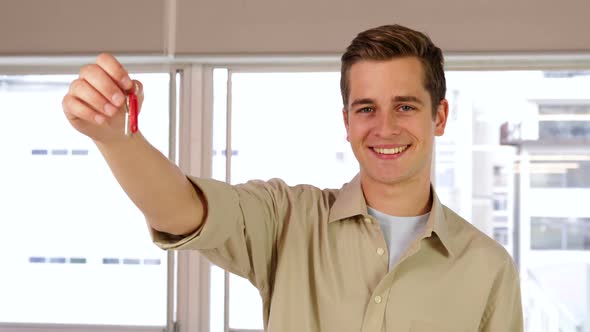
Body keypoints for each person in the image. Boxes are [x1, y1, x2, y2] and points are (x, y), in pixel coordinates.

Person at [63, 24, 523, 331]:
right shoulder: (287, 219)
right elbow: (182, 210)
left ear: (439, 116)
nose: (385, 128)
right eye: (367, 109)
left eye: (405, 106)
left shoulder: (489, 267)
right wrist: (116, 140)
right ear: (346, 121)